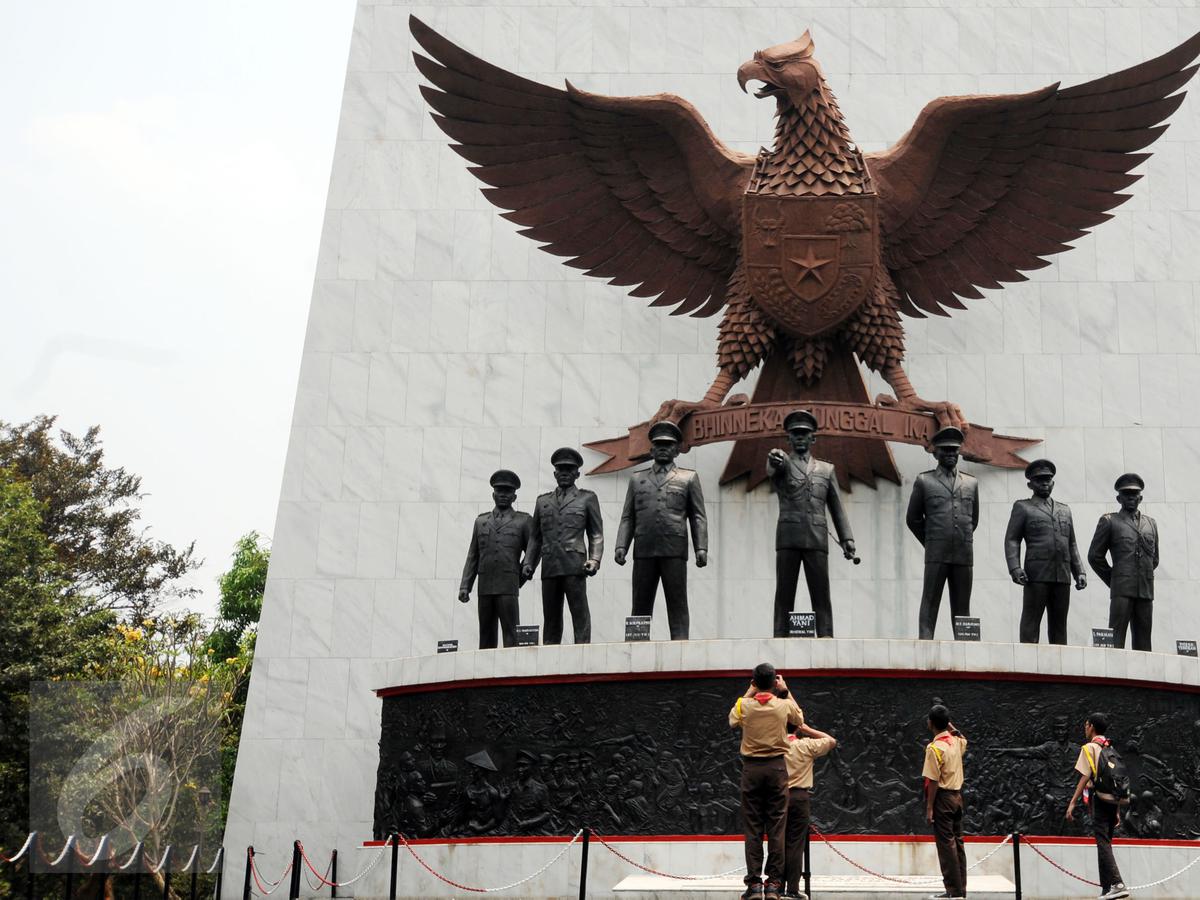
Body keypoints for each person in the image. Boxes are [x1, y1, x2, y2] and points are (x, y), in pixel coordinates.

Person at [614, 420, 708, 639]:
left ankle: (680, 644)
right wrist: (621, 545)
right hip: (644, 548)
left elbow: (698, 516)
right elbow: (628, 516)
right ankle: (636, 644)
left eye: (668, 444)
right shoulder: (637, 479)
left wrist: (700, 547)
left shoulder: (688, 478)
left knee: (677, 601)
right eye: (659, 445)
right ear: (651, 449)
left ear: (676, 450)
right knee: (640, 603)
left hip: (674, 548)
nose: (663, 448)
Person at [767, 409, 856, 638]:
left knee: (821, 592)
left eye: (804, 433)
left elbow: (836, 507)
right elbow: (773, 468)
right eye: (795, 433)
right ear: (788, 438)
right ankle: (780, 634)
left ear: (813, 438)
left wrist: (847, 538)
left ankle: (825, 635)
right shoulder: (783, 464)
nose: (799, 437)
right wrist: (775, 458)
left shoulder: (826, 470)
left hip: (817, 537)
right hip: (788, 536)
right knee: (784, 591)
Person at [728, 662, 804, 900]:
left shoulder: (745, 706)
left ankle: (754, 886)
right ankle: (773, 885)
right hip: (776, 769)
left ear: (753, 682)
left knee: (752, 829)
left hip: (752, 770)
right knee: (777, 828)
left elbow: (732, 720)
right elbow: (799, 718)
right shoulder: (783, 706)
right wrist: (786, 689)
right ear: (774, 682)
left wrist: (750, 691)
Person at [523, 447, 604, 644]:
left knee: (579, 613)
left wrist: (594, 559)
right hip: (550, 565)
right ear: (555, 473)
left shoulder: (587, 498)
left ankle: (583, 652)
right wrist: (528, 563)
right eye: (561, 469)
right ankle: (549, 658)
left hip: (575, 564)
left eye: (569, 469)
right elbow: (535, 537)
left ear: (577, 473)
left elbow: (596, 533)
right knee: (551, 617)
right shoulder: (543, 501)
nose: (565, 473)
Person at [1003, 459, 1086, 644]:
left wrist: (1079, 571)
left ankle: (1060, 667)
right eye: (1039, 480)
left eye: (1048, 480)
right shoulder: (1023, 507)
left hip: (1062, 575)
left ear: (1053, 483)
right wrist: (1015, 568)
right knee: (1031, 622)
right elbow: (1012, 539)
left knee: (1059, 626)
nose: (1044, 483)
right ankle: (1028, 665)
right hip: (1036, 574)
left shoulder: (1065, 510)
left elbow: (1072, 543)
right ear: (1030, 484)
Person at [907, 427, 979, 640]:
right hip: (936, 552)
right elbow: (913, 519)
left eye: (954, 450)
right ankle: (925, 643)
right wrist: (931, 541)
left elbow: (973, 520)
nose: (950, 454)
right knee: (930, 602)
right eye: (946, 450)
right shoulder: (924, 481)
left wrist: (958, 538)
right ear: (936, 453)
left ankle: (965, 645)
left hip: (963, 553)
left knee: (962, 605)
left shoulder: (971, 483)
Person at [458, 470, 533, 649]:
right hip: (485, 586)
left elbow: (533, 552)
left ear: (514, 497)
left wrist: (519, 578)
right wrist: (465, 586)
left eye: (508, 492)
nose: (503, 495)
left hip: (508, 585)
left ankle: (511, 672)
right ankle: (485, 673)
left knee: (511, 633)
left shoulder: (523, 521)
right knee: (486, 633)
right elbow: (473, 557)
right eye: (500, 491)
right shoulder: (480, 522)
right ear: (493, 494)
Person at [1088, 473, 1159, 651]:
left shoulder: (1151, 524)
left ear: (1140, 498)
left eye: (1134, 494)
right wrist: (1114, 579)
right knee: (1116, 637)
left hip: (1145, 589)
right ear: (1119, 498)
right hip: (1121, 588)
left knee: (1144, 640)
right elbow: (1095, 556)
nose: (1131, 498)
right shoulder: (1110, 521)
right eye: (1126, 494)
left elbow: (1154, 558)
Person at [1065, 712, 1129, 900]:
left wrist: (1072, 802)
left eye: (1086, 725)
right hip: (1112, 800)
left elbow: (1085, 777)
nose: (1085, 728)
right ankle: (1107, 888)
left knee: (1101, 842)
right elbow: (1114, 779)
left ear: (1092, 726)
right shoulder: (1110, 747)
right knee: (1104, 843)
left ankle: (1117, 883)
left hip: (1100, 799)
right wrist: (1117, 809)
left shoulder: (1090, 748)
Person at [781, 722, 836, 900]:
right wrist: (806, 729)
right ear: (796, 728)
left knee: (777, 843)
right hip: (799, 797)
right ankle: (793, 889)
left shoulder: (774, 746)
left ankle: (776, 887)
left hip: (778, 798)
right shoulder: (806, 745)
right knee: (795, 845)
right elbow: (831, 741)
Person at [921, 704, 968, 900]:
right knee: (957, 843)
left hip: (943, 799)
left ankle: (953, 891)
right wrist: (950, 726)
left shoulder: (934, 748)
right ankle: (960, 889)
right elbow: (963, 737)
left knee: (946, 846)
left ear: (930, 723)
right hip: (958, 798)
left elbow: (932, 781)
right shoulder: (955, 742)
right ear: (946, 723)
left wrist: (930, 807)